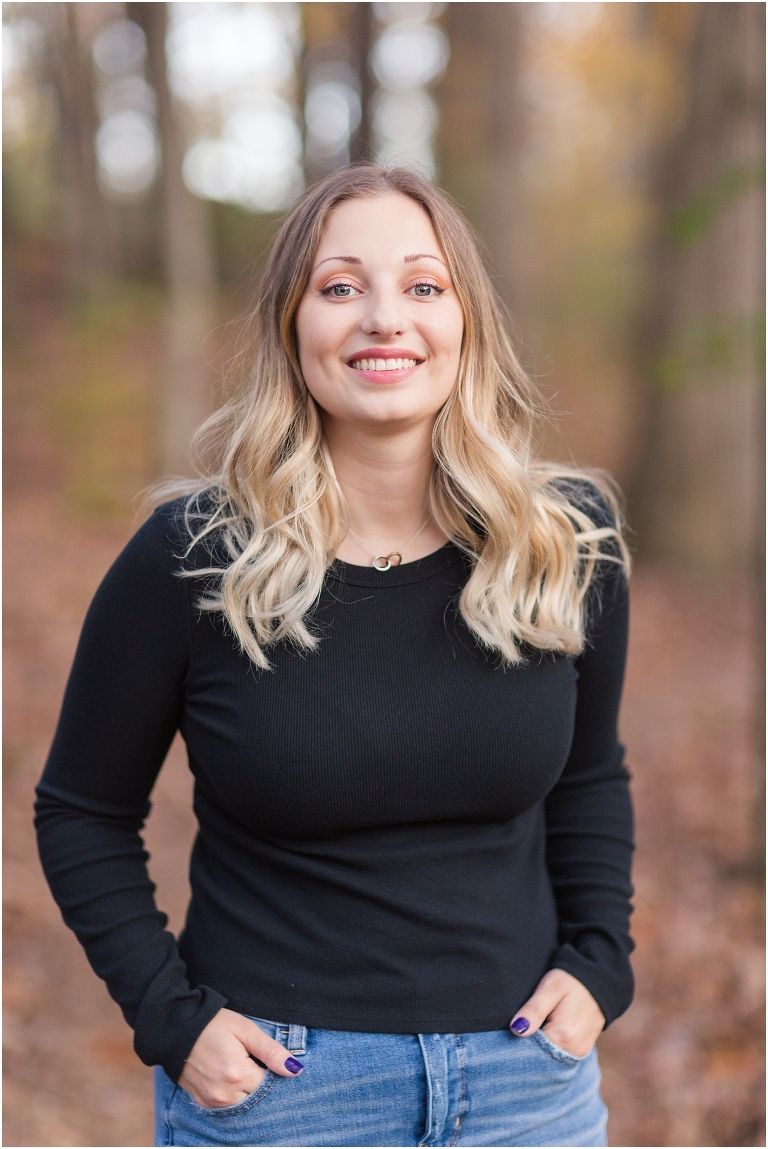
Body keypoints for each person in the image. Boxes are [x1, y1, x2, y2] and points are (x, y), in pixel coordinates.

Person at [35, 166, 634, 1148]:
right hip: (284, 1095)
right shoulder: (195, 557)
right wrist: (172, 1020)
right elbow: (83, 810)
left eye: (424, 286)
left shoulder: (563, 538)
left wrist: (601, 963)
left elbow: (590, 776)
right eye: (341, 286)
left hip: (529, 1088)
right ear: (292, 327)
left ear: (467, 323)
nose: (384, 319)